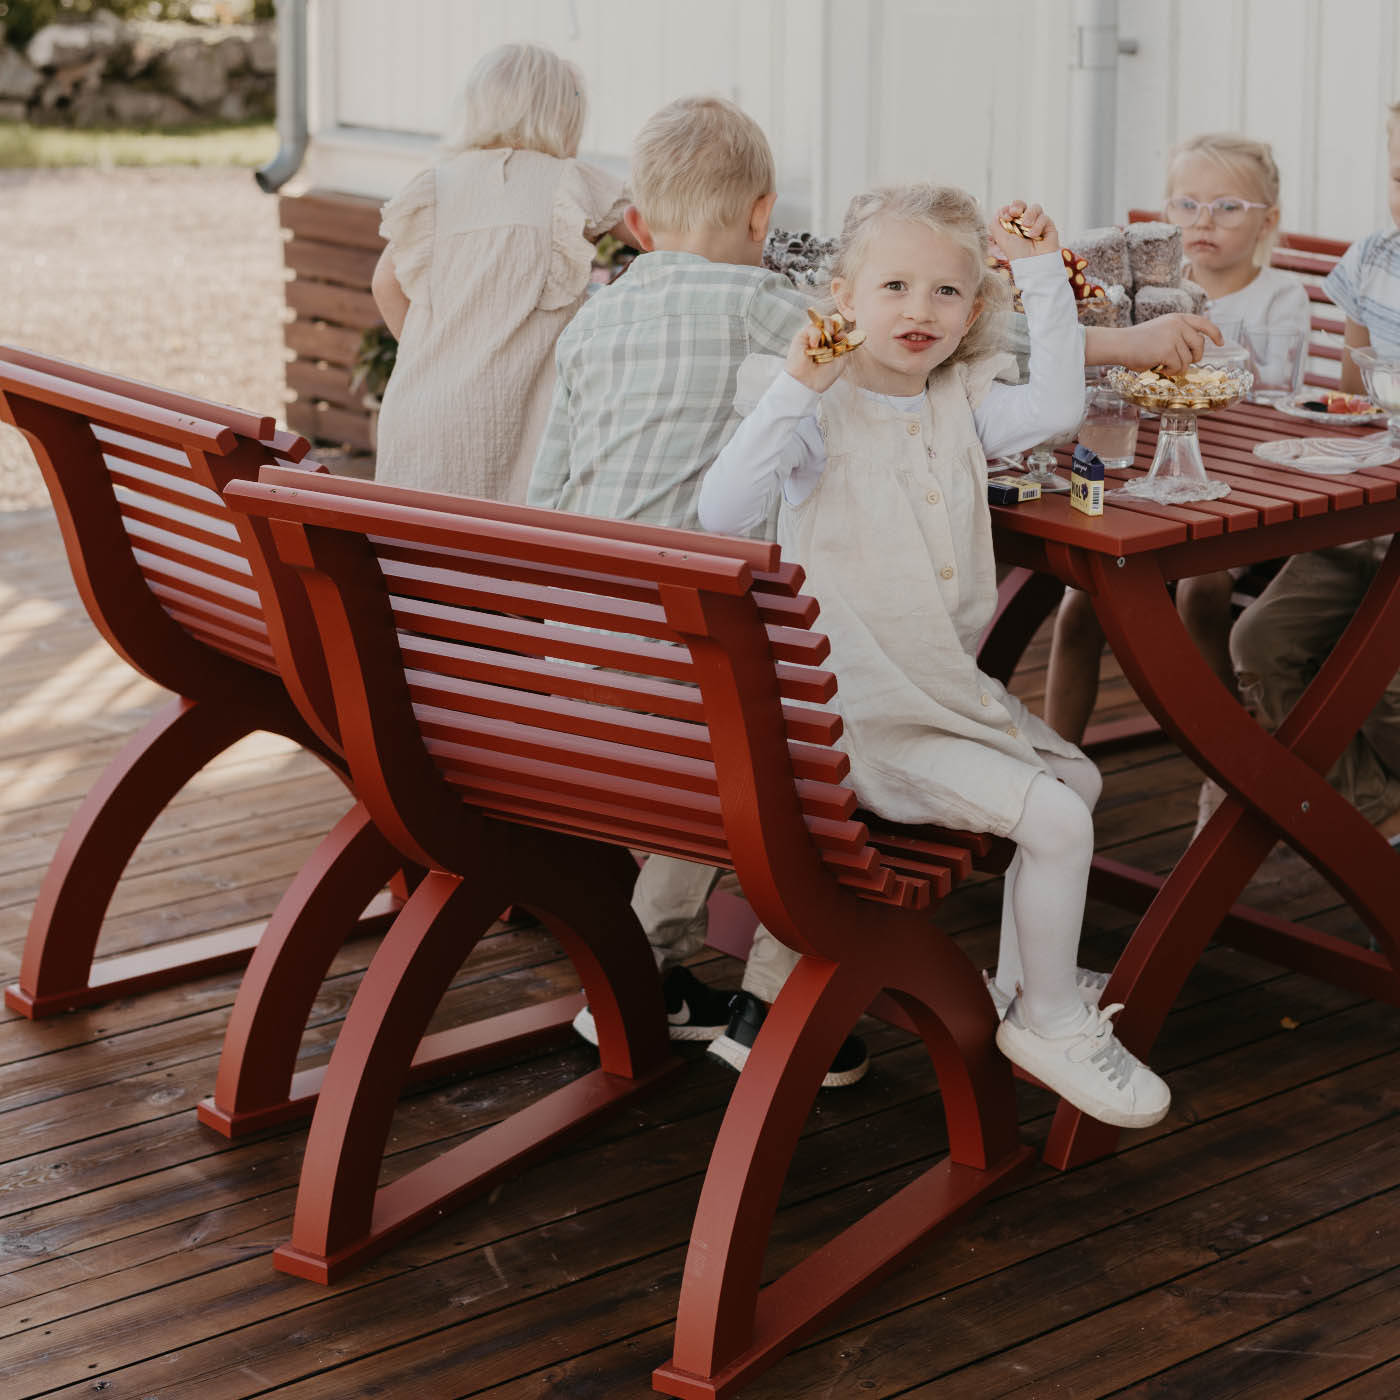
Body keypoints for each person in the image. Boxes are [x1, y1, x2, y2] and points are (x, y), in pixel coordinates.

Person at [698, 183, 1171, 1129]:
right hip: (853, 720)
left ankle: (1017, 984)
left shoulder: (962, 401)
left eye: (948, 293)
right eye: (895, 286)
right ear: (841, 299)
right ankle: (1051, 1024)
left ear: (974, 311)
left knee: (1076, 786)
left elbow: (1060, 403)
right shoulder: (807, 412)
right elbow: (721, 515)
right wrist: (801, 380)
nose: (920, 311)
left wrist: (1037, 270)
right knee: (1059, 823)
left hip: (937, 698)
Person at [527, 94, 870, 1086]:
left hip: (577, 666)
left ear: (636, 225)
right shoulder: (778, 312)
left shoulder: (594, 320)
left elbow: (548, 497)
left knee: (726, 725)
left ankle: (639, 970)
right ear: (763, 216)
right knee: (832, 731)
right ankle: (771, 999)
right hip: (694, 673)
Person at [1045, 133, 1308, 830]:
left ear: (1268, 219)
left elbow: (1267, 398)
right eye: (1186, 205)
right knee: (1082, 601)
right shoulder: (1144, 301)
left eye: (1226, 206)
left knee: (1202, 588)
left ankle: (1227, 768)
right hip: (1151, 481)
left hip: (1249, 494)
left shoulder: (1279, 299)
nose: (1203, 223)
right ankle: (1051, 775)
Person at [1228, 103, 1400, 843]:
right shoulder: (1373, 260)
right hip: (1367, 506)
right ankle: (1380, 828)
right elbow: (1355, 400)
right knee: (1261, 645)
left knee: (1389, 687)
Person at [369, 42, 630, 503]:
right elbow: (659, 228)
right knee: (511, 561)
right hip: (514, 421)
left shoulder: (437, 184)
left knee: (422, 559)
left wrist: (433, 349)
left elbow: (386, 282)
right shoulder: (570, 183)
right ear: (561, 117)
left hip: (419, 414)